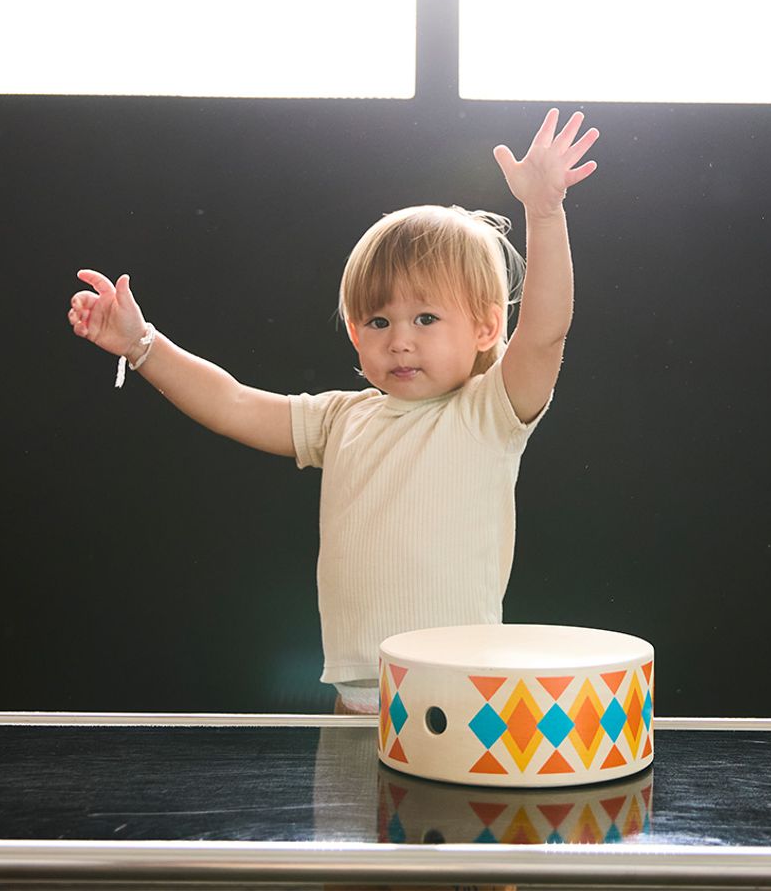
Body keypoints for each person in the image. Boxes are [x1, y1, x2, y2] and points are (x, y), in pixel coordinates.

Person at [67, 108, 599, 713]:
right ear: (353, 333)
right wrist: (141, 344)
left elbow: (544, 334)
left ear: (486, 327)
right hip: (354, 695)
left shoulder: (490, 414)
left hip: (459, 696)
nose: (400, 340)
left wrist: (544, 212)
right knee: (347, 783)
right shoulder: (340, 420)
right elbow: (231, 402)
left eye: (426, 318)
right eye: (379, 321)